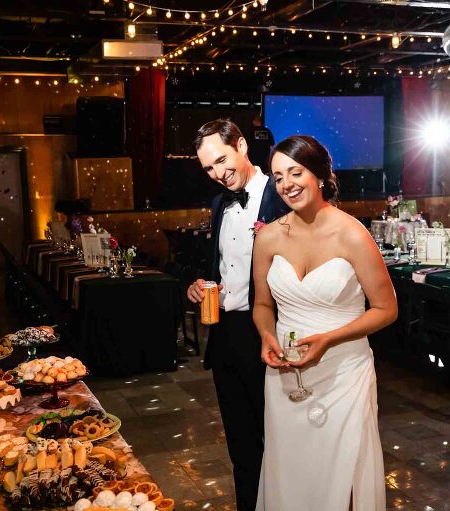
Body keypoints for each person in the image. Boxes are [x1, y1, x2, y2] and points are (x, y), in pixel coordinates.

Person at [252, 135, 397, 510]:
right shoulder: (267, 238)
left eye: (295, 172)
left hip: (344, 371)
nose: (287, 184)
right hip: (285, 371)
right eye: (278, 176)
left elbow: (386, 308)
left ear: (318, 175)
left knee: (342, 469)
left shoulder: (353, 234)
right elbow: (263, 304)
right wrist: (266, 335)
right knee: (292, 467)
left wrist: (329, 340)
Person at [186, 119, 289, 511]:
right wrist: (201, 284)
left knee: (277, 440)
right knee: (241, 445)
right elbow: (223, 267)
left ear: (242, 146)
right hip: (225, 336)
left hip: (267, 333)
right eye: (208, 168)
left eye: (222, 160)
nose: (217, 173)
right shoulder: (219, 204)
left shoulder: (280, 196)